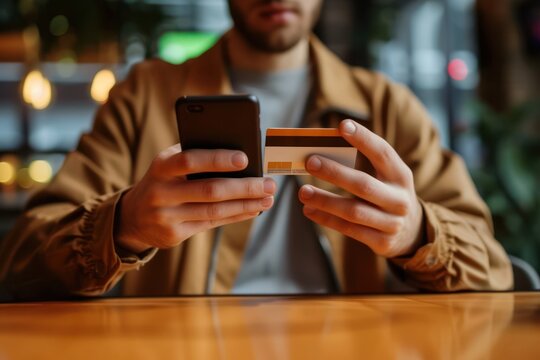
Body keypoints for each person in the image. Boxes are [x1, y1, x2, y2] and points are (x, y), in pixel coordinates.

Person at [0, 0, 512, 299]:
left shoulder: (386, 106)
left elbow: (496, 269)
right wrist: (124, 224)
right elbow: (22, 259)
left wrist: (417, 233)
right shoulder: (144, 95)